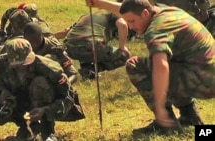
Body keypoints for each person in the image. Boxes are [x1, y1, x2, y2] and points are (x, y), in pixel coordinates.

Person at [86, 0, 215, 133]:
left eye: (132, 21)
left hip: (204, 81)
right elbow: (132, 10)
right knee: (175, 62)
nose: (130, 27)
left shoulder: (156, 30)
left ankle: (167, 124)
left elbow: (162, 67)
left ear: (145, 13)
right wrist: (99, 3)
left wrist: (160, 108)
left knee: (134, 65)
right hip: (206, 74)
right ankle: (189, 115)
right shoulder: (165, 11)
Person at [0, 38, 85, 140]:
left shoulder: (48, 67)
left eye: (25, 63)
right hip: (19, 102)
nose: (22, 67)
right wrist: (3, 93)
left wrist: (45, 110)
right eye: (18, 65)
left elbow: (68, 97)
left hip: (47, 105)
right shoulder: (2, 64)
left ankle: (44, 129)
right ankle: (24, 126)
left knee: (39, 83)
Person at [54, 7, 131, 79]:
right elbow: (123, 25)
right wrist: (122, 47)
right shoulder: (113, 13)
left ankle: (87, 70)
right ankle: (94, 69)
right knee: (124, 55)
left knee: (91, 49)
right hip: (91, 46)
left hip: (69, 48)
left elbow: (65, 31)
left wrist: (48, 37)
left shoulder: (86, 16)